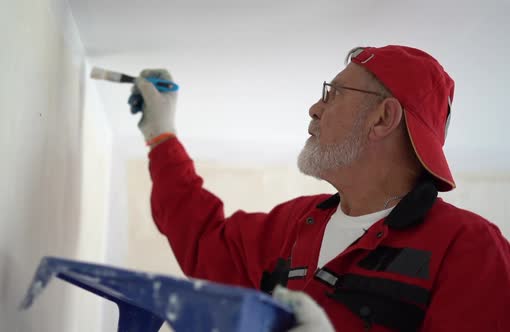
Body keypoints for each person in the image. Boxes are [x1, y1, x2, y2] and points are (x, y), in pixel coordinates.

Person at [130, 45, 510, 331]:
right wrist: (161, 137)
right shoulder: (292, 225)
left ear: (383, 118)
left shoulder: (470, 249)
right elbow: (203, 237)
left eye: (334, 93)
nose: (314, 107)